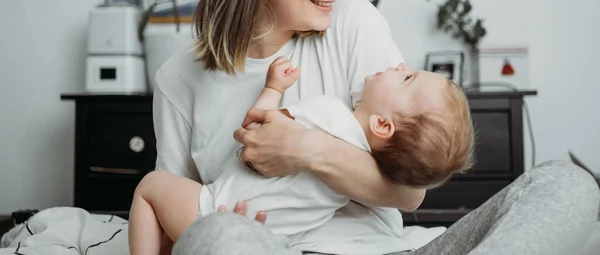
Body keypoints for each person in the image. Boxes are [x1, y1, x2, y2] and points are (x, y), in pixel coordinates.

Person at [151, 0, 600, 255]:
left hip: (391, 250)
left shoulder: (352, 24)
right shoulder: (178, 79)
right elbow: (171, 216)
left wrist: (306, 150)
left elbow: (409, 193)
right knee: (217, 235)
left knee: (566, 184)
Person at [128, 55, 474, 254]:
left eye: (407, 77)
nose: (399, 64)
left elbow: (255, 133)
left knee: (151, 186)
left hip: (216, 206)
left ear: (383, 126)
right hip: (270, 240)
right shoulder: (355, 176)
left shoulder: (329, 113)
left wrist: (273, 88)